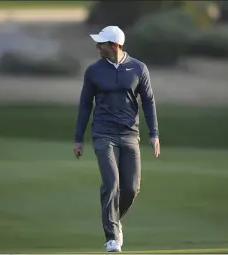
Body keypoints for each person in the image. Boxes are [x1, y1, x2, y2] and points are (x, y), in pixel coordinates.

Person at [73, 26, 160, 252]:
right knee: (111, 182)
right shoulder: (93, 71)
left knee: (131, 188)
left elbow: (148, 102)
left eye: (101, 43)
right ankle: (112, 236)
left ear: (114, 45)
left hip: (130, 134)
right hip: (103, 133)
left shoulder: (138, 68)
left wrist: (154, 134)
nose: (97, 46)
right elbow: (85, 104)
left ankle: (114, 219)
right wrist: (78, 137)